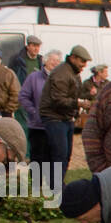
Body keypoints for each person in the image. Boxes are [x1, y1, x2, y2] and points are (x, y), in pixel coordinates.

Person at [38, 45, 90, 188]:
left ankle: (56, 185)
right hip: (54, 117)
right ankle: (56, 187)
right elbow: (58, 100)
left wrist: (78, 108)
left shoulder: (73, 73)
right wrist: (79, 104)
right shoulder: (62, 73)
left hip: (65, 118)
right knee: (59, 155)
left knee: (65, 155)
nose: (84, 65)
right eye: (82, 61)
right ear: (73, 58)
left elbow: (74, 95)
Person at [20, 51, 62, 194]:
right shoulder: (34, 77)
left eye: (58, 61)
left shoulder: (61, 78)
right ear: (45, 61)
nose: (55, 63)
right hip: (38, 127)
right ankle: (36, 189)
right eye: (52, 60)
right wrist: (33, 112)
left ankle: (54, 189)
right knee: (38, 158)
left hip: (56, 126)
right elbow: (23, 96)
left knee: (54, 157)